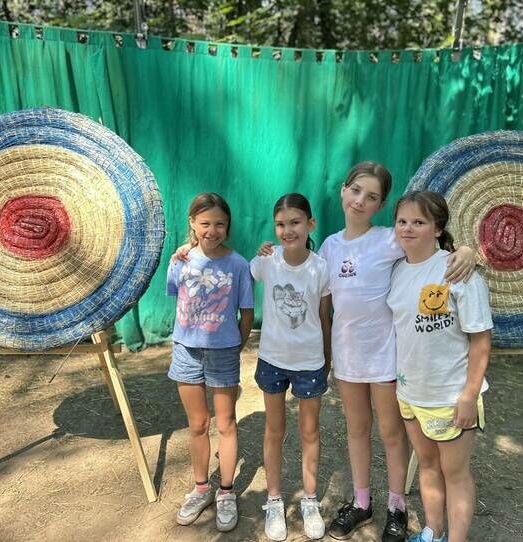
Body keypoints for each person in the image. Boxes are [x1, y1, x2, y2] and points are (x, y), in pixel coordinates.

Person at [259, 162, 475, 541]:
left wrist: (469, 251)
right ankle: (362, 503)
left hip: (385, 356)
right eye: (356, 190)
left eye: (371, 196)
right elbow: (296, 265)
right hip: (348, 357)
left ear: (381, 205)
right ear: (343, 190)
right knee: (357, 430)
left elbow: (432, 246)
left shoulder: (390, 238)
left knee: (391, 433)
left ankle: (396, 507)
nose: (360, 201)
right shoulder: (329, 246)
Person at [387, 190, 492, 542]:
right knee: (428, 465)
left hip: (450, 396)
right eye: (402, 221)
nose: (408, 228)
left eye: (419, 222)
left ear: (437, 228)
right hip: (410, 393)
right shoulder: (396, 269)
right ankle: (433, 531)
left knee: (455, 473)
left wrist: (469, 395)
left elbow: (481, 340)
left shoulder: (459, 272)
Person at [166, 192, 254, 533]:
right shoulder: (181, 261)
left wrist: (234, 346)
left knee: (226, 423)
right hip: (186, 352)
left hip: (223, 354)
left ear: (228, 225)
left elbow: (247, 313)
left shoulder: (239, 265)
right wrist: (179, 256)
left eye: (220, 224)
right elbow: (176, 296)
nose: (212, 230)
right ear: (192, 223)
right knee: (198, 424)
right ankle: (201, 489)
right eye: (205, 223)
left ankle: (226, 492)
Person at [251, 193, 332, 541]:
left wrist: (327, 360)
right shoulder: (266, 262)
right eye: (281, 224)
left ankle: (309, 501)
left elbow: (325, 317)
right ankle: (274, 500)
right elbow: (242, 271)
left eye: (295, 222)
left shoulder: (321, 267)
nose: (288, 230)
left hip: (310, 363)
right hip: (272, 360)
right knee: (274, 430)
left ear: (310, 224)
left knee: (309, 432)